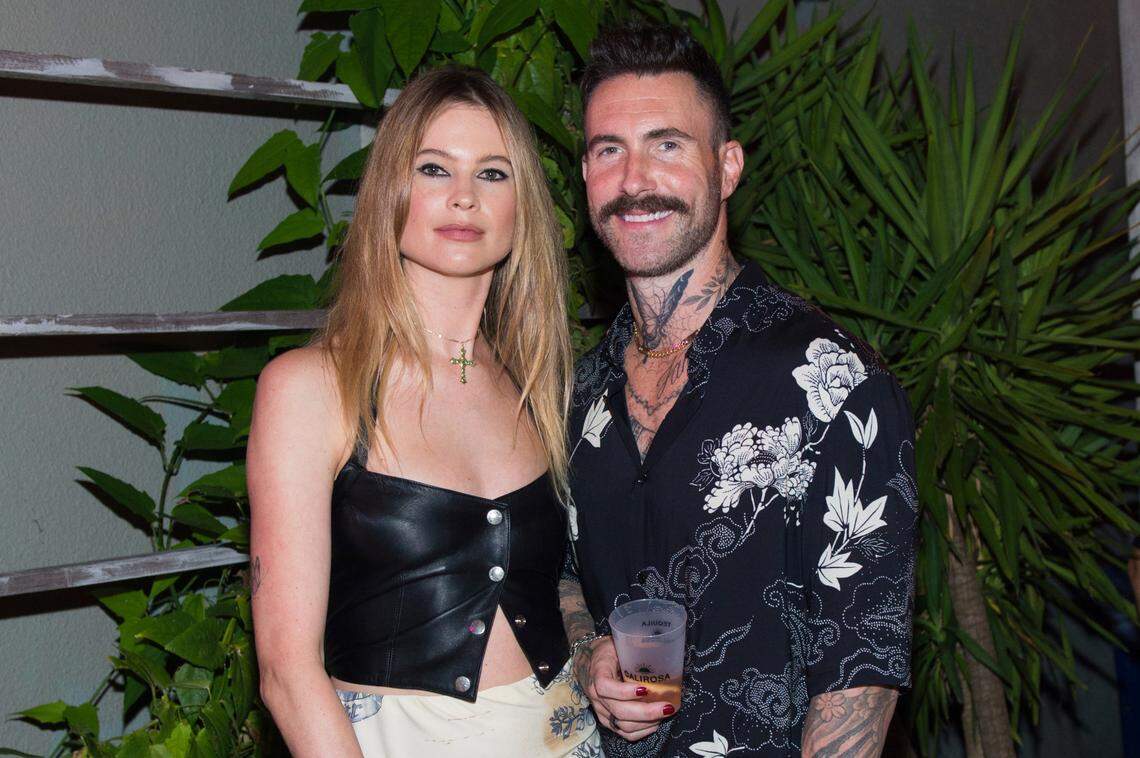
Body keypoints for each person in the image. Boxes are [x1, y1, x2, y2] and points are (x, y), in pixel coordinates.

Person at [560, 24, 918, 757]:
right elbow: (564, 574)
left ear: (727, 167)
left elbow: (858, 679)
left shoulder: (831, 382)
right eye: (608, 150)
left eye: (666, 144)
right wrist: (590, 652)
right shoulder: (579, 393)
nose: (634, 180)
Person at [248, 66, 601, 757]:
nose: (464, 198)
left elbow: (564, 581)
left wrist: (596, 652)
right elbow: (287, 674)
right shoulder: (311, 388)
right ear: (390, 192)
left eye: (494, 175)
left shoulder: (543, 387)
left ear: (521, 208)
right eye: (435, 168)